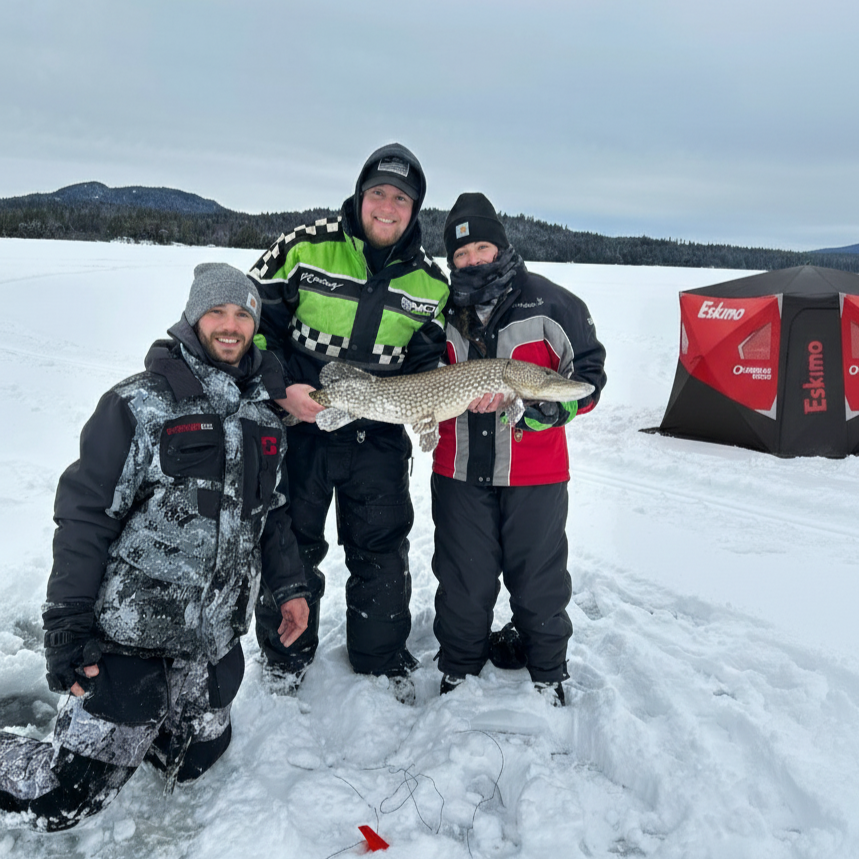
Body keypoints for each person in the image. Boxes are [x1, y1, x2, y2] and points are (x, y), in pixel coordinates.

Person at [0, 263, 309, 831]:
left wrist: (290, 586)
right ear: (193, 317)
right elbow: (84, 515)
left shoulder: (265, 414)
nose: (229, 325)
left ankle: (155, 725)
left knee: (195, 762)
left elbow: (274, 513)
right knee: (61, 798)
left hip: (211, 636)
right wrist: (67, 620)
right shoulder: (140, 404)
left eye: (242, 313)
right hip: (132, 632)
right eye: (216, 311)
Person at [248, 143, 449, 698]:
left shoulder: (432, 284)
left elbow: (429, 361)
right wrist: (279, 388)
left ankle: (381, 657)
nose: (387, 207)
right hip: (301, 425)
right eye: (378, 193)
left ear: (415, 210)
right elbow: (252, 324)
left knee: (381, 548)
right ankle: (285, 657)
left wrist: (434, 400)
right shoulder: (303, 245)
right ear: (361, 195)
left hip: (378, 436)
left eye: (401, 199)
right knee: (293, 543)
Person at [431, 193, 607, 706]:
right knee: (464, 578)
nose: (473, 260)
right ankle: (459, 668)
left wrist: (556, 410)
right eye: (461, 255)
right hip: (459, 469)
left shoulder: (553, 303)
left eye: (482, 247)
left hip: (535, 472)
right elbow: (413, 371)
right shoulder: (439, 311)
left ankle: (548, 669)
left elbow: (589, 376)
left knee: (540, 579)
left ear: (502, 246)